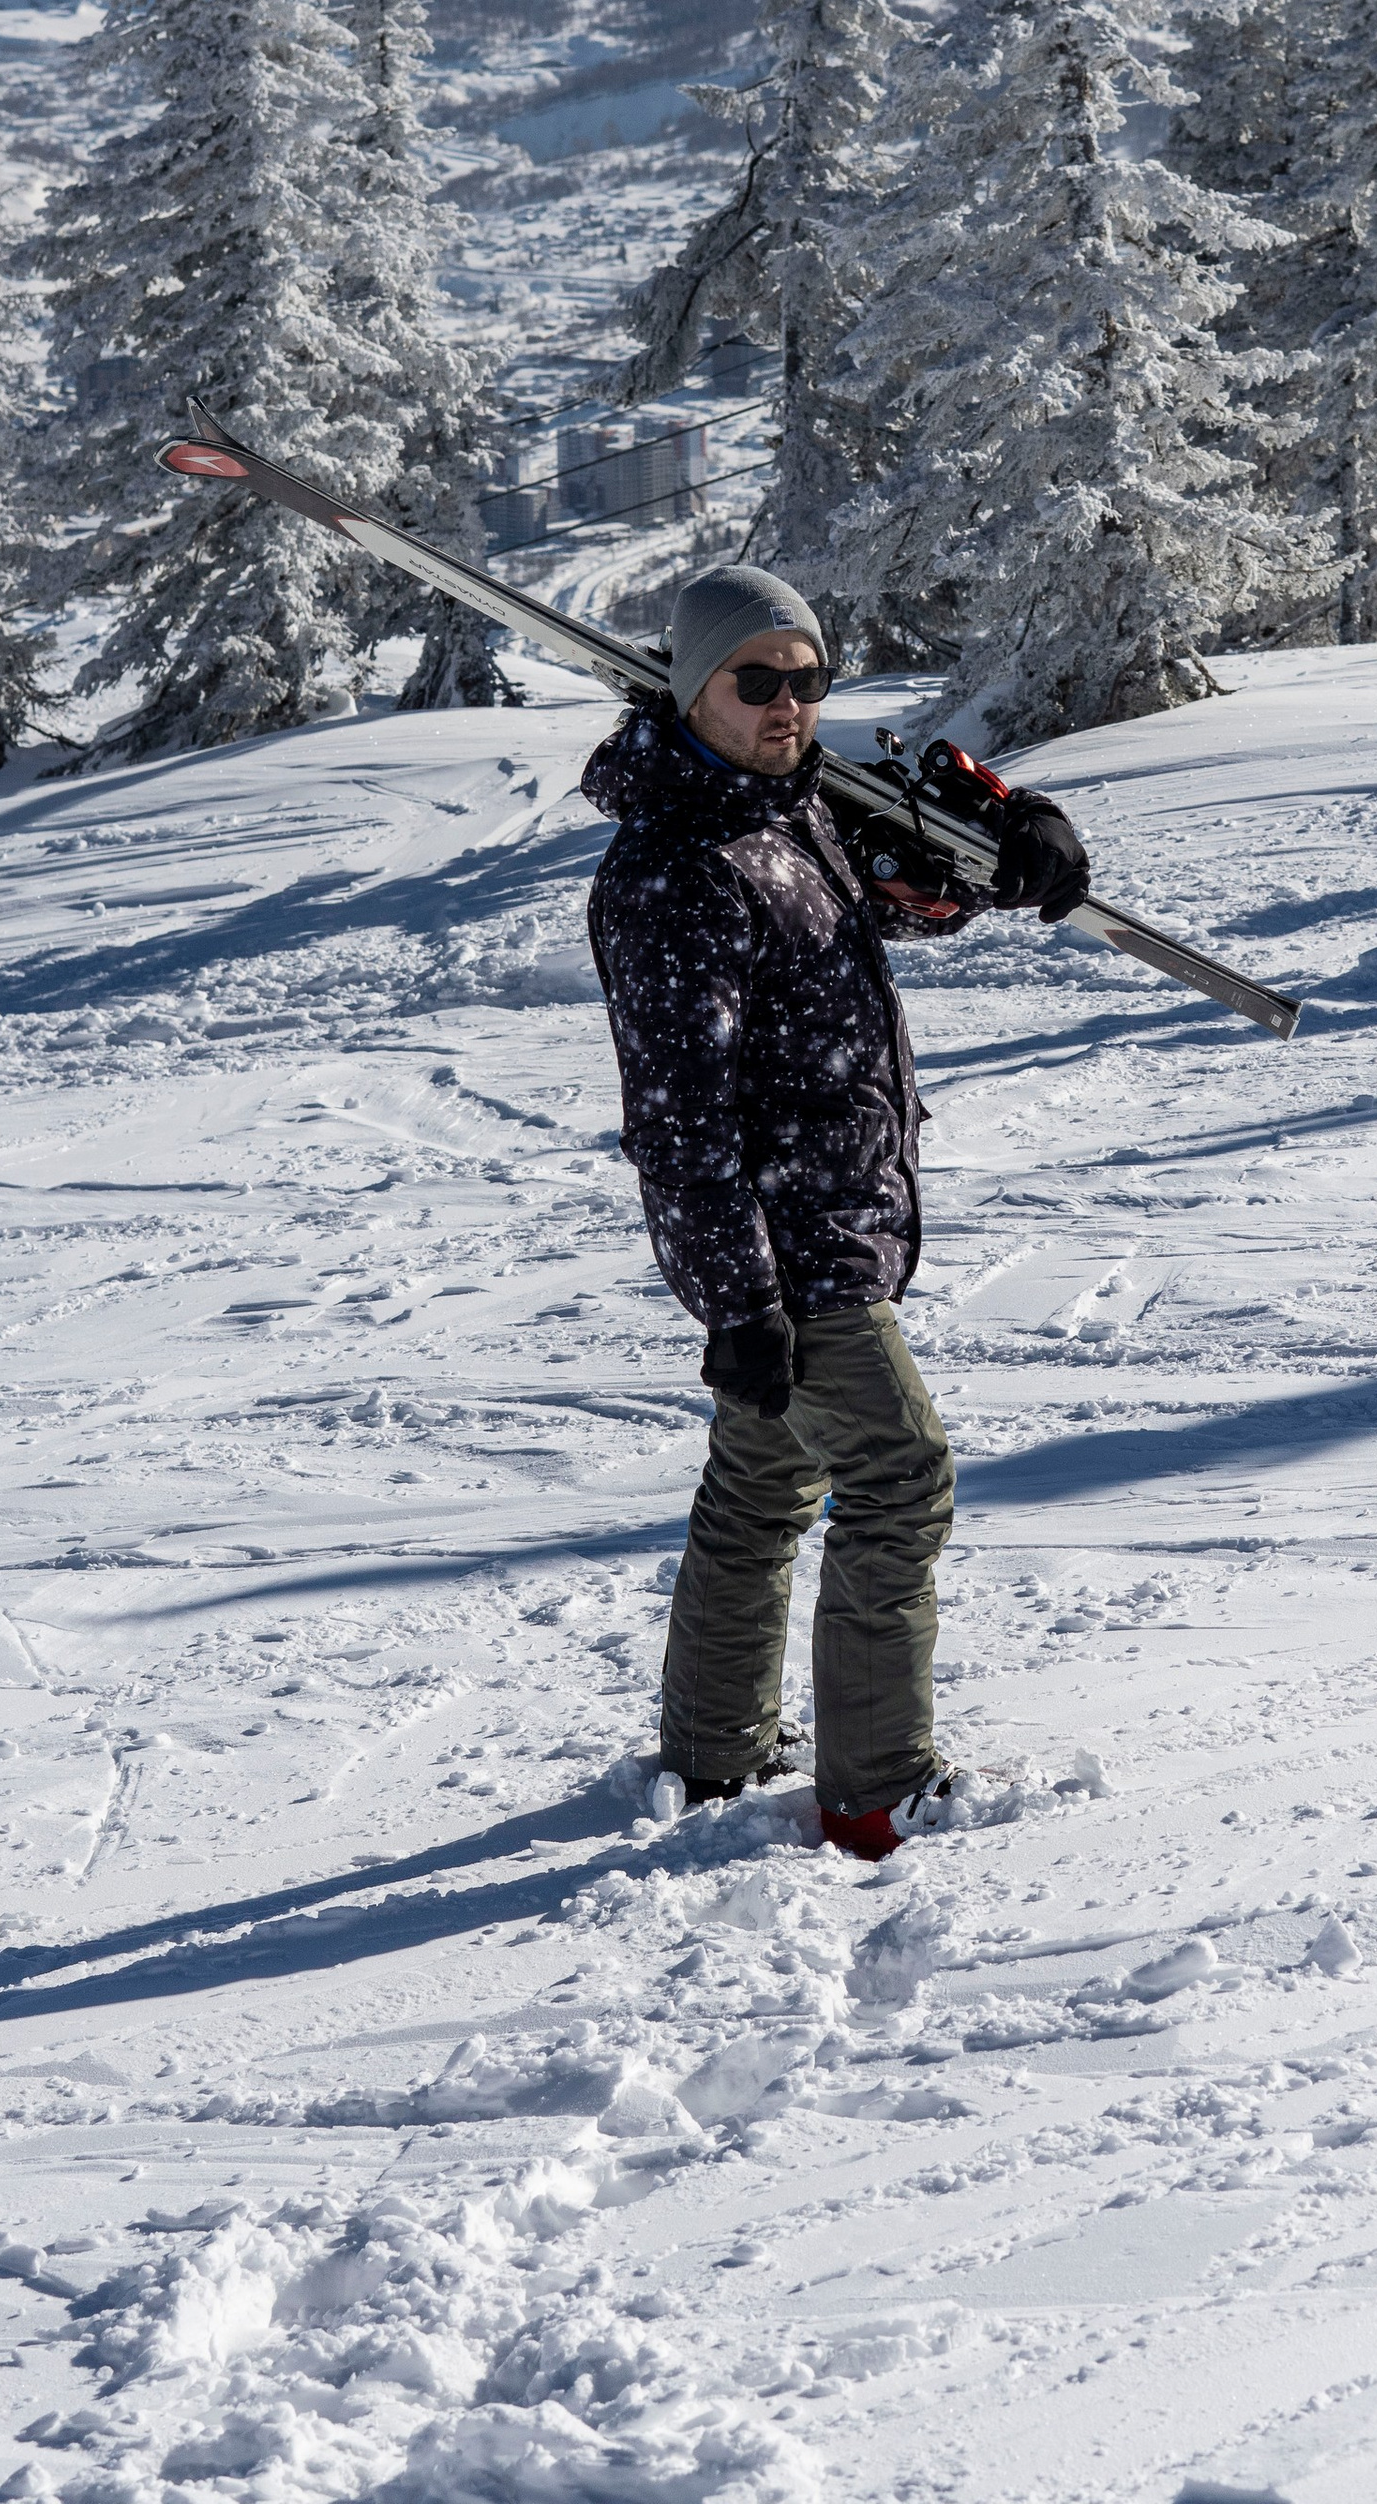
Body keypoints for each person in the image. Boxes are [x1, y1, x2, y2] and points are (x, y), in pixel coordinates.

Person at [582, 559, 1089, 1859]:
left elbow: (883, 910)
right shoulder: (676, 872)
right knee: (899, 1473)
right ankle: (875, 1790)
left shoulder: (781, 814)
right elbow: (680, 1126)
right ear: (696, 688)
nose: (790, 704)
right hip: (786, 1249)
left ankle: (713, 1753)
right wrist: (742, 1308)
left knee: (762, 1483)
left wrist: (1005, 844)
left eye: (809, 680)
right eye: (760, 680)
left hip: (833, 1216)